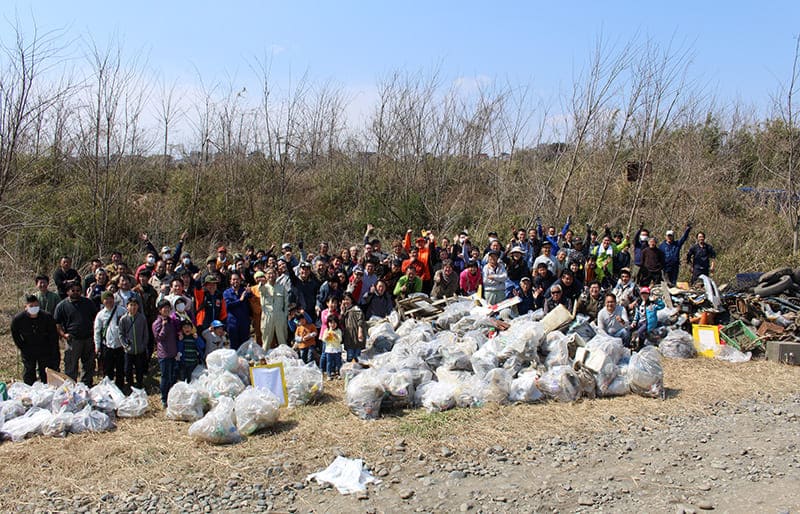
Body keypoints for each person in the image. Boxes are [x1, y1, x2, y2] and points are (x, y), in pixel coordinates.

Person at [54, 282, 98, 386]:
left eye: (78, 290)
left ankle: (86, 385)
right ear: (68, 291)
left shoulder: (88, 303)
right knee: (71, 365)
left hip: (88, 339)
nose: (75, 293)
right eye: (72, 290)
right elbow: (57, 323)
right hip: (72, 340)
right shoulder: (62, 305)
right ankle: (71, 386)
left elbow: (95, 318)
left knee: (88, 364)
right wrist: (63, 335)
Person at [11, 295, 60, 385]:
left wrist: (54, 351)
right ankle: (29, 390)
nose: (34, 308)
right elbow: (15, 334)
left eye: (36, 306)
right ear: (26, 307)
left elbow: (53, 336)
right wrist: (22, 346)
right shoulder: (18, 319)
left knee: (45, 372)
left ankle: (46, 389)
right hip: (28, 348)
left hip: (44, 348)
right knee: (29, 371)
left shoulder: (47, 317)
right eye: (31, 306)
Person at [93, 291, 127, 391]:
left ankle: (120, 387)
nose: (108, 301)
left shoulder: (122, 310)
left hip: (120, 345)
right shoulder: (100, 315)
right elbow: (97, 331)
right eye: (106, 299)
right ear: (103, 301)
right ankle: (109, 388)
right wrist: (97, 346)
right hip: (107, 346)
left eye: (110, 298)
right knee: (108, 369)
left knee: (120, 368)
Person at [118, 296, 150, 390]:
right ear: (127, 306)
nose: (133, 307)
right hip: (128, 350)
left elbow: (145, 333)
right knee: (128, 370)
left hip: (140, 350)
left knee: (139, 369)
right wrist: (125, 345)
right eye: (131, 305)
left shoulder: (141, 318)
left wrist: (144, 345)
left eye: (135, 305)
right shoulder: (123, 319)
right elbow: (121, 334)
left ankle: (139, 385)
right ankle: (130, 385)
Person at [153, 299, 180, 407]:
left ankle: (172, 397)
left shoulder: (171, 320)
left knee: (172, 376)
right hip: (164, 354)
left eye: (168, 308)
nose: (167, 310)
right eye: (164, 308)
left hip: (173, 352)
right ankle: (164, 399)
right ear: (160, 310)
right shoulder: (157, 323)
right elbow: (158, 338)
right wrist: (163, 326)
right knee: (165, 377)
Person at [259, 267, 288, 349]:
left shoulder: (282, 288)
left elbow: (286, 303)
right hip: (267, 316)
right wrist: (262, 283)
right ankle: (264, 358)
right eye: (269, 273)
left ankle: (285, 358)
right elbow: (260, 290)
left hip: (280, 316)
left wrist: (285, 315)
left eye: (273, 273)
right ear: (265, 275)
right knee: (266, 341)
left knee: (282, 340)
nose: (271, 275)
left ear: (276, 275)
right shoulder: (263, 287)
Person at [222, 272, 251, 350]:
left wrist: (249, 292)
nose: (235, 281)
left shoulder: (244, 291)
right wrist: (240, 300)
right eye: (233, 279)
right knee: (234, 346)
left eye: (237, 279)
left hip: (244, 323)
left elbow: (251, 299)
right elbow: (228, 305)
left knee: (245, 346)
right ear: (230, 281)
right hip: (232, 323)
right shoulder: (226, 292)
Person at [341, 292, 367, 363]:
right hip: (349, 338)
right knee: (349, 356)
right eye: (344, 300)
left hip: (356, 336)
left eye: (347, 299)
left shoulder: (356, 309)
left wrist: (360, 331)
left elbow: (361, 321)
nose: (345, 302)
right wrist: (342, 312)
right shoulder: (345, 311)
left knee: (357, 357)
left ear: (351, 300)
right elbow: (340, 322)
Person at [322, 316, 343, 380]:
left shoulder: (338, 330)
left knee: (338, 362)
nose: (332, 325)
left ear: (337, 323)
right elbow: (323, 340)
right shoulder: (326, 330)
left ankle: (339, 373)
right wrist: (326, 337)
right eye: (331, 323)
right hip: (329, 349)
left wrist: (336, 336)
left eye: (334, 323)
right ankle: (329, 374)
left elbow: (340, 340)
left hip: (337, 349)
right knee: (329, 363)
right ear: (328, 323)